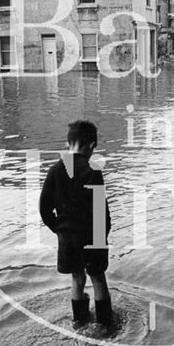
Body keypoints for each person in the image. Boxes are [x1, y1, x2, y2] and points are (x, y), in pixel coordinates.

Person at [39, 120, 113, 326]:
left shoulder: (54, 171)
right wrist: (103, 235)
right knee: (97, 278)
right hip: (92, 235)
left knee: (77, 278)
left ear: (67, 143)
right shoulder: (92, 169)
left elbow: (44, 209)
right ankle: (105, 326)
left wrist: (60, 230)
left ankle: (79, 322)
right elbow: (101, 211)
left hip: (67, 238)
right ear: (91, 146)